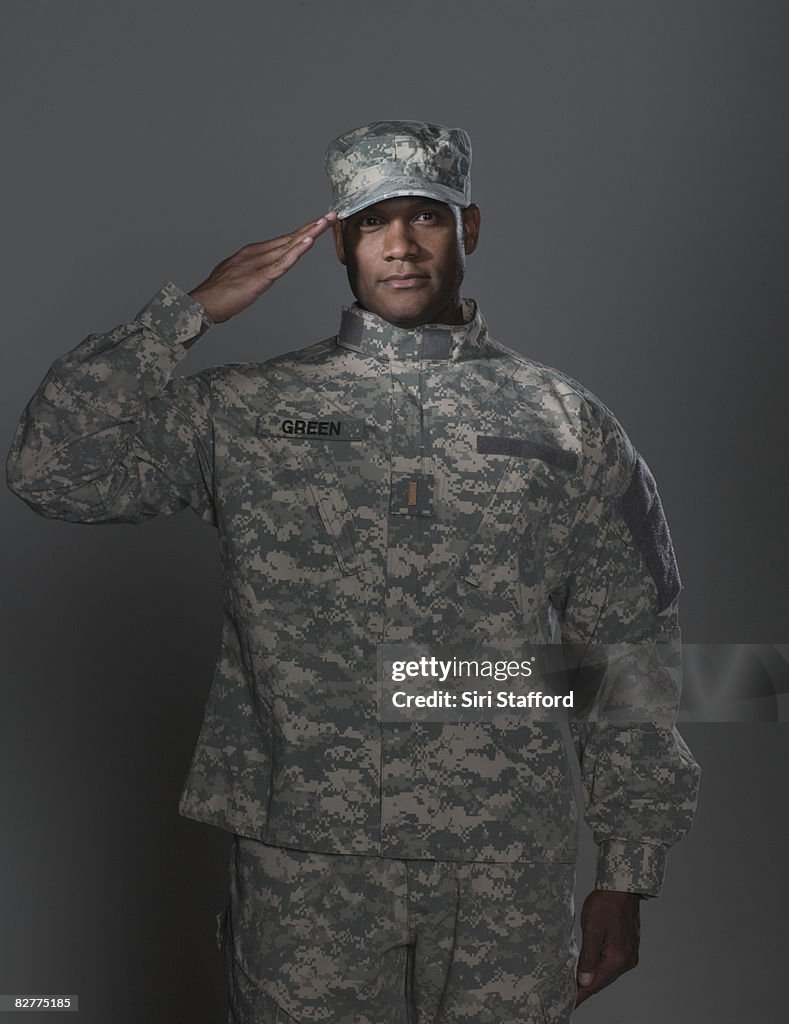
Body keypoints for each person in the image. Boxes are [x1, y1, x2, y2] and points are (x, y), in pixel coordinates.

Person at [6, 120, 700, 1023]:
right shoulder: (253, 410)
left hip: (501, 866)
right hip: (307, 862)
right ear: (339, 241)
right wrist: (190, 312)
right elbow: (51, 468)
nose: (402, 246)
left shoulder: (566, 423)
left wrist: (628, 868)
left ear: (471, 229)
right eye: (375, 222)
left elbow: (630, 651)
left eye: (428, 218)